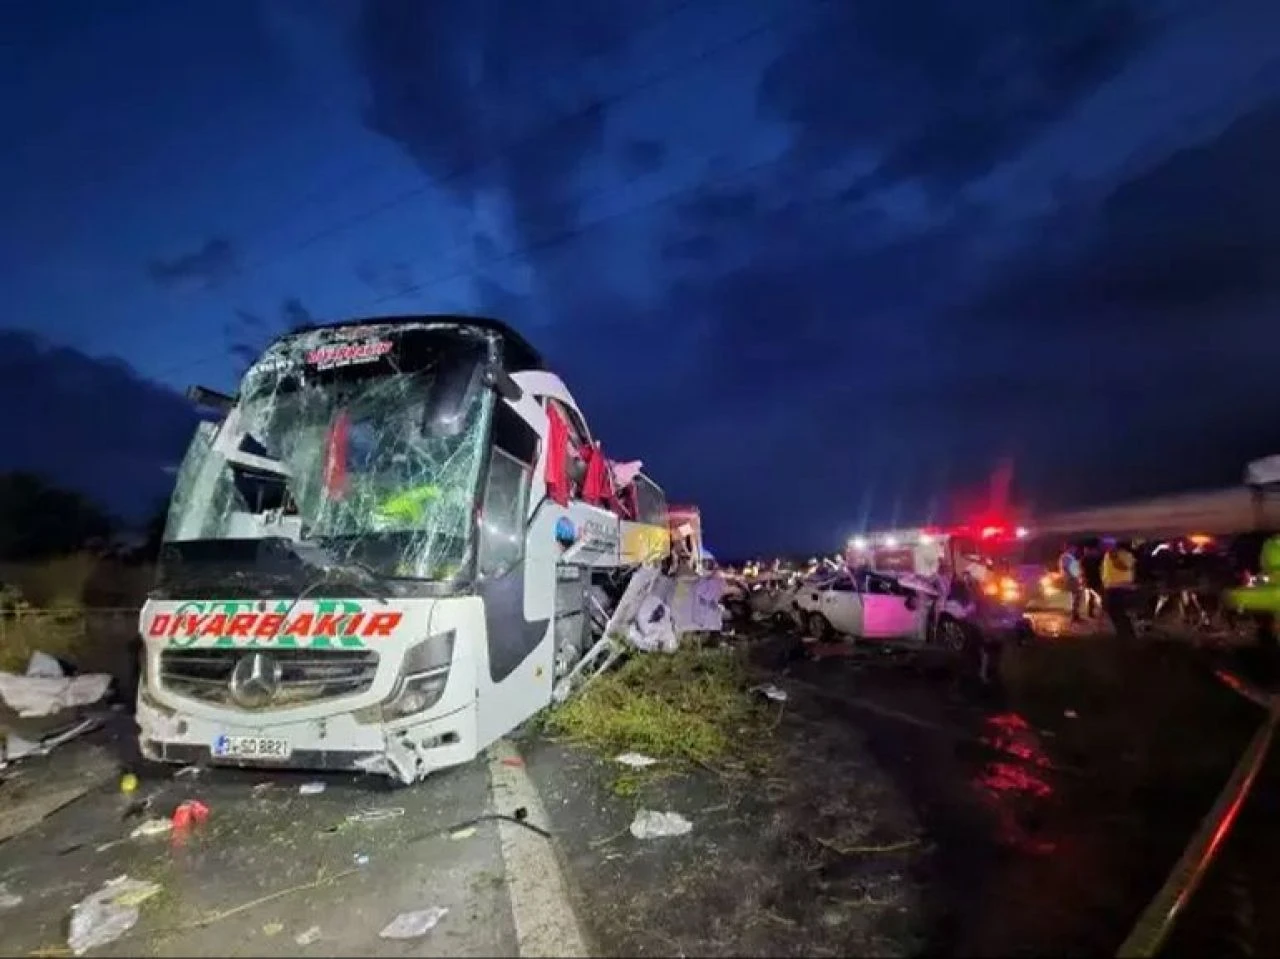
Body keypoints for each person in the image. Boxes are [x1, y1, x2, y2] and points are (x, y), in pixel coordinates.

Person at [1102, 538, 1138, 639]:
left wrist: (1113, 556)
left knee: (1119, 613)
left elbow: (1124, 567)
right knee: (1115, 613)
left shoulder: (1126, 555)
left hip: (1120, 588)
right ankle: (1125, 634)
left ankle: (1127, 635)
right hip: (1113, 588)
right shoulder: (1108, 555)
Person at [1058, 542, 1084, 623]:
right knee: (1077, 596)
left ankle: (1075, 615)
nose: (1074, 550)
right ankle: (1075, 616)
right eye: (1073, 548)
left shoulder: (1068, 557)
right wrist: (1078, 576)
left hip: (1072, 578)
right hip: (1071, 579)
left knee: (1076, 597)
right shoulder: (1066, 557)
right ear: (1069, 548)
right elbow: (1070, 569)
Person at [1082, 543, 1104, 618]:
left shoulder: (1094, 558)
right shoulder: (1085, 559)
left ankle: (1093, 612)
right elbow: (1082, 571)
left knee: (1094, 597)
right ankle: (1091, 612)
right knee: (1094, 597)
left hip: (1095, 580)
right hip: (1091, 580)